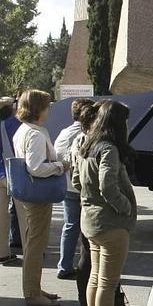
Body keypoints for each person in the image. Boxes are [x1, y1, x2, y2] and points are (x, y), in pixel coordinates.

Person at [72, 100, 138, 306]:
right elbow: (108, 186)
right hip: (111, 223)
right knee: (108, 283)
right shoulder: (108, 148)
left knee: (96, 278)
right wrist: (125, 206)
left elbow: (77, 181)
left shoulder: (86, 143)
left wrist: (91, 200)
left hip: (90, 220)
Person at [12, 89, 70, 306]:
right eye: (47, 104)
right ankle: (32, 293)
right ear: (38, 109)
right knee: (36, 244)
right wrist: (59, 166)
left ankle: (34, 288)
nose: (50, 108)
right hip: (38, 196)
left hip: (31, 194)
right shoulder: (35, 134)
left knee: (33, 243)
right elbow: (35, 167)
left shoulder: (25, 130)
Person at [53, 98, 94, 279]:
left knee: (70, 226)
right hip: (81, 186)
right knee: (88, 228)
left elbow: (58, 155)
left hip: (67, 185)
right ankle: (88, 266)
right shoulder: (86, 134)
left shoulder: (64, 132)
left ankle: (64, 264)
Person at [0, 96, 21, 266]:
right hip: (12, 173)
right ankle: (31, 249)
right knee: (24, 213)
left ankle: (3, 253)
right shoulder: (15, 124)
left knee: (1, 216)